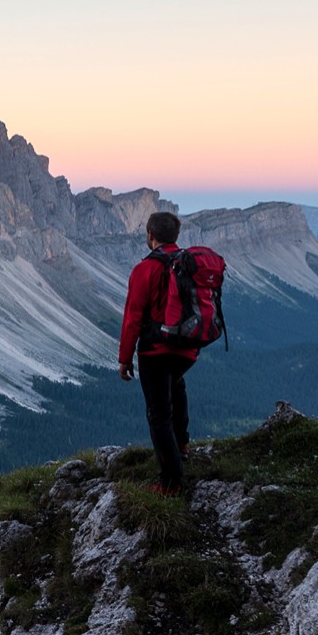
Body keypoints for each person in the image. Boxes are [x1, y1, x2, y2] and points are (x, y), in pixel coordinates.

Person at [118, 211, 200, 497]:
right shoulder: (189, 262)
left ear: (150, 235)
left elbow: (133, 317)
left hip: (155, 350)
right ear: (175, 235)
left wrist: (125, 358)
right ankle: (182, 444)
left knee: (158, 414)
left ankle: (171, 482)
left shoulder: (145, 269)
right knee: (176, 385)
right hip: (187, 349)